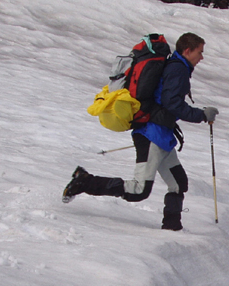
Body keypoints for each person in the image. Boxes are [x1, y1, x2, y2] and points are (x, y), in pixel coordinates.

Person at [63, 32, 218, 230]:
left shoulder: (177, 66)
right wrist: (202, 115)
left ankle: (172, 228)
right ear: (187, 51)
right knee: (139, 190)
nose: (202, 57)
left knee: (178, 182)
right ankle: (84, 181)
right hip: (151, 134)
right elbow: (172, 104)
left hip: (161, 135)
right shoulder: (177, 69)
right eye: (200, 52)